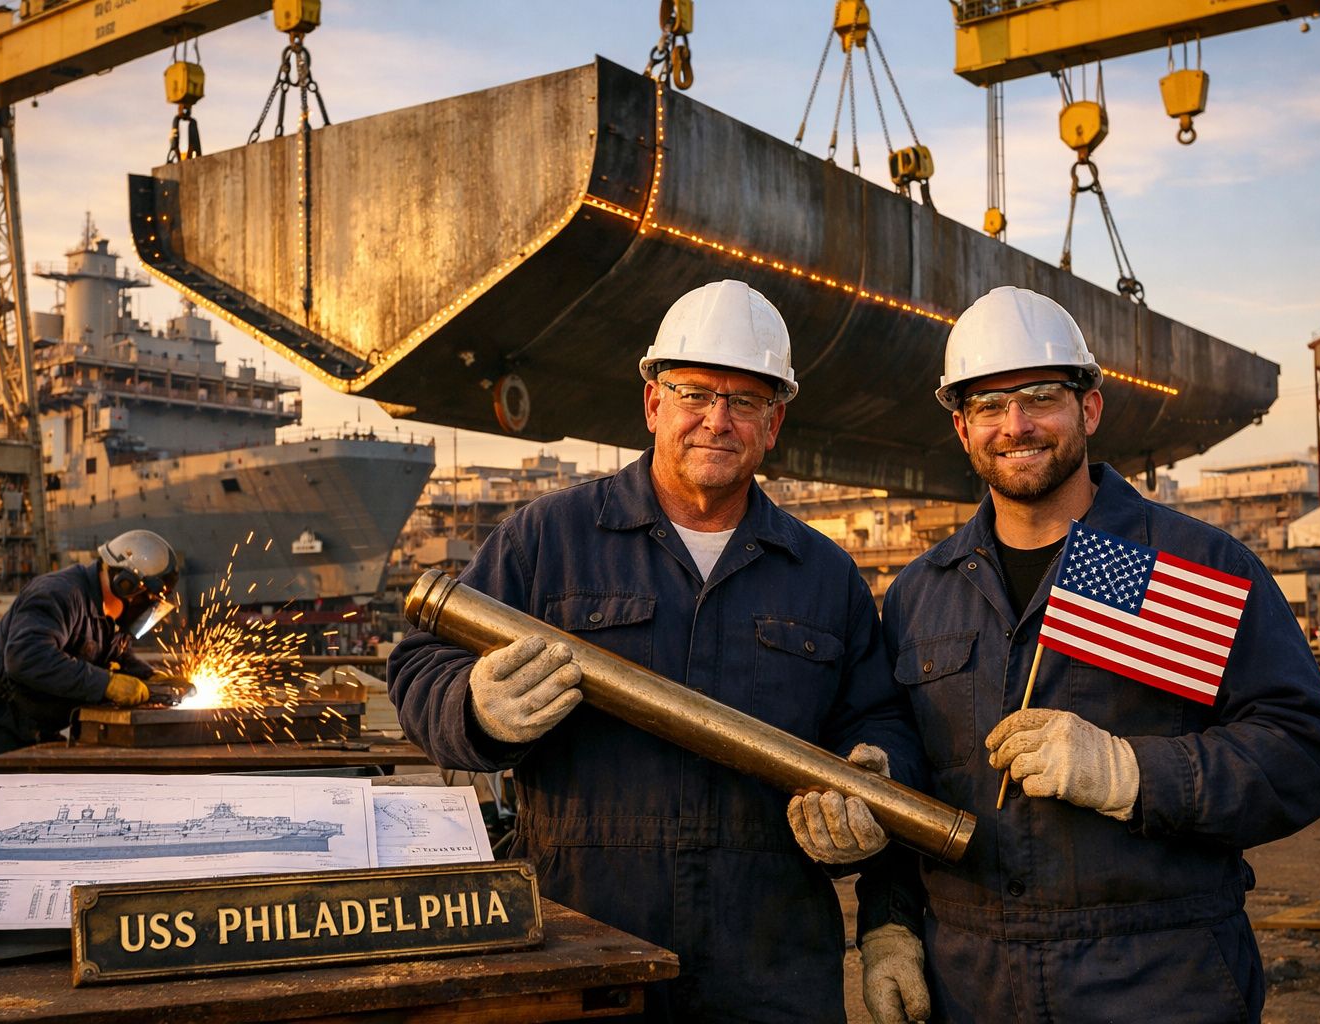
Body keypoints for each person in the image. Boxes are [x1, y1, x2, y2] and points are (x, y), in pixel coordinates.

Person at [388, 279, 928, 1023]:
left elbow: (878, 717)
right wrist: (473, 706)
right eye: (695, 393)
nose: (717, 420)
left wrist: (875, 769)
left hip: (768, 963)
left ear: (775, 423)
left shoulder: (823, 574)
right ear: (652, 405)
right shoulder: (548, 539)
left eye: (745, 401)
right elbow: (420, 664)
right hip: (582, 944)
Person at [878, 285, 1320, 1022]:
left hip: (1160, 979)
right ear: (962, 429)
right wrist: (889, 928)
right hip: (971, 985)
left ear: (1089, 408)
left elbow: (1306, 751)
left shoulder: (1189, 565)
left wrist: (1133, 774)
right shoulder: (918, 594)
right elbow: (905, 780)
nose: (1016, 425)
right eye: (988, 407)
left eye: (1040, 397)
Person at [0, 529, 183, 770]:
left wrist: (148, 677)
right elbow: (26, 658)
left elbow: (114, 654)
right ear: (125, 584)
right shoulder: (59, 593)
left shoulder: (111, 614)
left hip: (36, 721)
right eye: (147, 601)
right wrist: (105, 684)